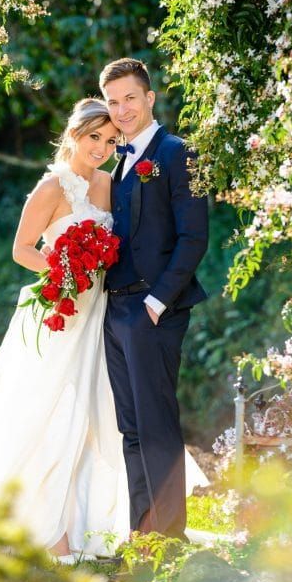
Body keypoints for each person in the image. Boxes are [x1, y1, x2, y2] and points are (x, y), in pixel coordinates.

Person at [0, 96, 209, 564]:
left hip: (99, 313)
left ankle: (89, 522)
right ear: (74, 135)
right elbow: (22, 249)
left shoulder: (111, 183)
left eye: (110, 139)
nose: (101, 147)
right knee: (52, 409)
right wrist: (61, 273)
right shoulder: (51, 187)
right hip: (60, 311)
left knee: (95, 416)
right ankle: (45, 529)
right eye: (93, 137)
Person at [100, 58, 209, 541]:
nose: (121, 110)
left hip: (153, 311)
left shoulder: (177, 152)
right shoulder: (120, 159)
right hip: (115, 309)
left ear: (149, 98)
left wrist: (158, 301)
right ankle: (143, 535)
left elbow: (193, 237)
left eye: (129, 98)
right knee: (132, 430)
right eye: (113, 101)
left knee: (157, 426)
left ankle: (171, 539)